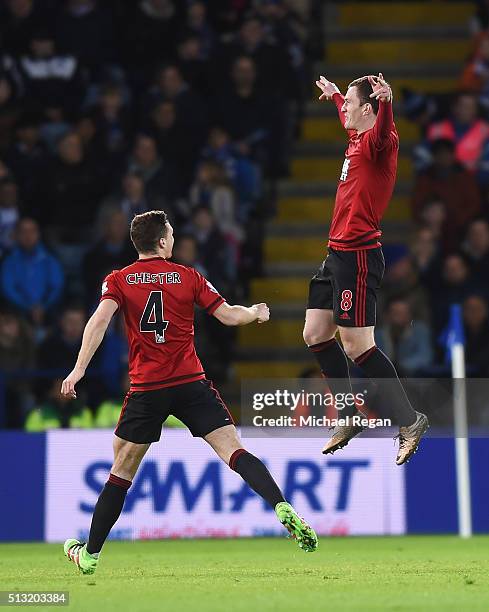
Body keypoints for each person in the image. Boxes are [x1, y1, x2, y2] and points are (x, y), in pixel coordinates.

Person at [61, 210, 318, 575]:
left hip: (148, 387)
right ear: (163, 241)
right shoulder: (188, 276)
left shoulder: (118, 280)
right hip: (190, 383)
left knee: (122, 468)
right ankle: (279, 504)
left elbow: (100, 320)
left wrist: (79, 369)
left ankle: (90, 554)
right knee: (234, 450)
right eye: (171, 234)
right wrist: (256, 312)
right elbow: (229, 315)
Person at [305, 74, 428, 464]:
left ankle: (409, 421)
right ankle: (347, 414)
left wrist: (388, 103)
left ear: (369, 109)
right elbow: (353, 115)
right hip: (335, 254)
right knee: (315, 334)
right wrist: (338, 95)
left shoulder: (380, 143)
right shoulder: (357, 138)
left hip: (358, 257)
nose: (343, 110)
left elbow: (384, 129)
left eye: (349, 104)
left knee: (358, 346)